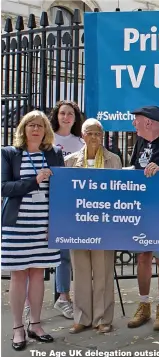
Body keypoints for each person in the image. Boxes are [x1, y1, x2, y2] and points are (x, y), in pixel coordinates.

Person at [1, 110, 64, 351]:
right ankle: (18, 328)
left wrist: (55, 223)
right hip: (17, 225)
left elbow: (61, 191)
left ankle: (36, 325)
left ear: (46, 130)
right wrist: (34, 181)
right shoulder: (9, 154)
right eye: (31, 125)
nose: (35, 129)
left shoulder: (54, 154)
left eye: (40, 125)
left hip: (44, 226)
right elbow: (5, 187)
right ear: (23, 129)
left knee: (38, 275)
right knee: (19, 275)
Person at [64, 118, 122, 334]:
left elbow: (120, 191)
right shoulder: (69, 161)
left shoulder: (113, 160)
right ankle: (81, 317)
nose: (94, 137)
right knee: (80, 271)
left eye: (98, 133)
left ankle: (103, 318)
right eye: (90, 133)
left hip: (104, 224)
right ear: (82, 135)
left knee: (103, 272)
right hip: (78, 225)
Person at [126, 105, 159, 331]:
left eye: (136, 120)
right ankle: (144, 304)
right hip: (141, 207)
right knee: (142, 257)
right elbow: (135, 167)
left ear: (148, 122)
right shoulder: (139, 142)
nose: (133, 124)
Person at [46, 100, 85, 319]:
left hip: (74, 201)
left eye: (70, 114)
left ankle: (64, 296)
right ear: (57, 116)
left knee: (67, 252)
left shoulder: (80, 142)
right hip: (52, 200)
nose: (66, 117)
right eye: (62, 113)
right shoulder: (48, 139)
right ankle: (59, 296)